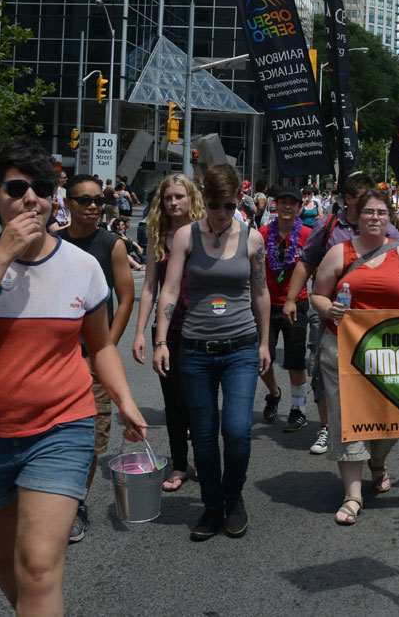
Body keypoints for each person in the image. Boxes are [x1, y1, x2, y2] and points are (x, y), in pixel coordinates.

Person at [0, 137, 147, 615]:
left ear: (54, 198)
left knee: (38, 566)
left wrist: (125, 399)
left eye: (42, 188)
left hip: (62, 427)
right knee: (6, 563)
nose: (30, 197)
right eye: (15, 188)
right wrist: (3, 256)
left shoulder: (83, 265)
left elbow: (101, 345)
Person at [154, 164, 271, 541]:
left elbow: (260, 293)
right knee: (203, 435)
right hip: (195, 350)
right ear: (203, 199)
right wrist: (159, 340)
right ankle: (211, 505)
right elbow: (169, 290)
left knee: (236, 431)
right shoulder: (187, 236)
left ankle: (233, 495)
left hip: (241, 347)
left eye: (229, 204)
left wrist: (266, 342)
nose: (222, 212)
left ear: (239, 200)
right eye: (215, 204)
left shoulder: (252, 241)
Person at [310, 187, 399, 525]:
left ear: (389, 217)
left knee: (389, 419)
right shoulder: (339, 252)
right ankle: (353, 494)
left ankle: (378, 462)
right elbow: (317, 296)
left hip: (391, 354)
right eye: (369, 213)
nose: (375, 218)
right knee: (346, 419)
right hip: (342, 350)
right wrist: (328, 308)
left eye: (381, 213)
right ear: (357, 215)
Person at [281, 172, 399, 456]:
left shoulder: (387, 229)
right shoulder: (328, 226)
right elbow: (306, 263)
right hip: (330, 316)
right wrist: (291, 299)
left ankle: (372, 430)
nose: (371, 210)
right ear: (348, 199)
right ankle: (328, 426)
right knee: (324, 372)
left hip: (374, 322)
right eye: (363, 200)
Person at [56, 173, 137, 543]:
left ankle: (78, 503)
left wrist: (107, 346)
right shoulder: (52, 243)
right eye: (84, 200)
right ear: (68, 203)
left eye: (98, 201)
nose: (92, 206)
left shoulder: (112, 244)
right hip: (55, 358)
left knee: (90, 436)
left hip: (91, 359)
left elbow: (126, 298)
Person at [131, 174, 204, 493]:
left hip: (203, 328)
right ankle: (179, 464)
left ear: (191, 198)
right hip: (168, 328)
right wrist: (139, 333)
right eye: (168, 197)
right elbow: (149, 288)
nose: (174, 202)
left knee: (199, 400)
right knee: (173, 402)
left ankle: (203, 457)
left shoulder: (205, 232)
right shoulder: (157, 234)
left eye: (179, 196)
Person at [258, 186, 314, 432]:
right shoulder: (261, 234)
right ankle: (274, 393)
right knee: (262, 360)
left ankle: (298, 408)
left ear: (300, 207)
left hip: (296, 303)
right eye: (283, 202)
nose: (287, 207)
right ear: (275, 205)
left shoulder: (307, 235)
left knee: (295, 360)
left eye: (293, 203)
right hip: (266, 304)